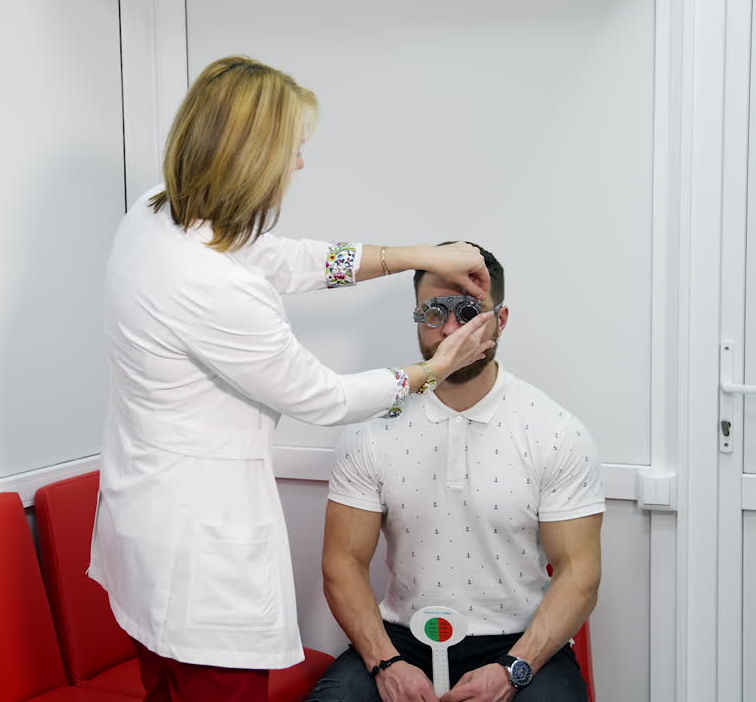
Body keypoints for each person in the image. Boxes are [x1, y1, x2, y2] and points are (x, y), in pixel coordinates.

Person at [88, 56, 499, 702]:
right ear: (251, 160)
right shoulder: (211, 286)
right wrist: (431, 370)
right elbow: (324, 397)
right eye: (294, 151)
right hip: (198, 562)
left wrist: (415, 256)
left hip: (142, 529)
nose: (299, 165)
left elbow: (289, 259)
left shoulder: (153, 217)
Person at [311, 243, 604, 702]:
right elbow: (343, 563)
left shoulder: (555, 432)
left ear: (500, 321)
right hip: (401, 639)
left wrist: (514, 670)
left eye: (469, 312)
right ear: (416, 316)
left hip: (517, 641)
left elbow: (580, 574)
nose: (450, 330)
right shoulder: (371, 431)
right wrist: (385, 663)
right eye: (433, 312)